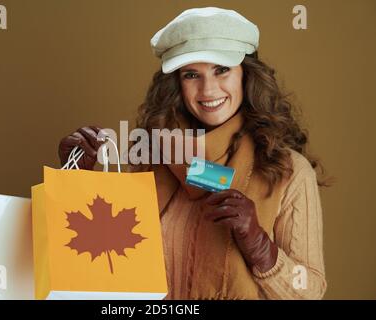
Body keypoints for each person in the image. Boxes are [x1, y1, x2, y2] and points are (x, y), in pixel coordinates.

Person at [58, 7, 329, 299]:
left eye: (221, 69)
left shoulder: (287, 170)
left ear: (247, 76)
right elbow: (93, 259)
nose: (208, 89)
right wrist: (77, 178)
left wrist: (260, 247)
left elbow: (309, 291)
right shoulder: (142, 158)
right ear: (176, 83)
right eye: (191, 75)